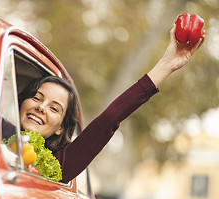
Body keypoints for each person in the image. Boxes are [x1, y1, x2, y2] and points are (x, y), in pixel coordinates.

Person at [17, 24, 205, 184]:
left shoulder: (61, 164)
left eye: (54, 108)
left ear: (60, 128)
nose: (41, 107)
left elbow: (109, 119)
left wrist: (167, 64)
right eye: (36, 98)